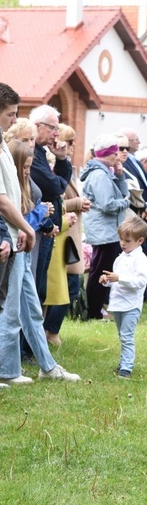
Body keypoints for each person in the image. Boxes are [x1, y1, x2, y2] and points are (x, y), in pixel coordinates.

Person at [0, 139, 80, 383]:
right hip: (15, 250)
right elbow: (19, 216)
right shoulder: (10, 186)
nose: (28, 171)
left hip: (25, 252)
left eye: (30, 166)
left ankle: (47, 366)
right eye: (25, 167)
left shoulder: (24, 184)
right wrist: (39, 215)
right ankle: (6, 370)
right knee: (11, 311)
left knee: (32, 310)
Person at [44, 124, 90, 345]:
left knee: (70, 285)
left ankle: (50, 330)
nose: (72, 147)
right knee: (66, 286)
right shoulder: (53, 168)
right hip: (60, 235)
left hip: (68, 235)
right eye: (70, 142)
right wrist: (77, 203)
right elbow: (56, 202)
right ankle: (49, 331)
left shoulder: (65, 167)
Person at [81, 134, 131, 321]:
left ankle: (97, 309)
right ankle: (93, 312)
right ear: (107, 154)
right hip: (103, 230)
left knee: (103, 269)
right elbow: (107, 204)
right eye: (115, 153)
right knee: (99, 272)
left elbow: (122, 192)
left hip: (108, 230)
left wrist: (120, 175)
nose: (118, 157)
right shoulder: (99, 175)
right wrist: (126, 203)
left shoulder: (106, 172)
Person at [29, 105, 72, 303]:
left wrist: (62, 159)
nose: (57, 133)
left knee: (40, 288)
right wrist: (60, 179)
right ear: (38, 126)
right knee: (34, 288)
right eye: (53, 128)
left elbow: (56, 186)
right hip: (38, 227)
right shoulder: (33, 154)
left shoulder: (41, 152)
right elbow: (53, 187)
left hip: (47, 225)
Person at [100, 216, 147, 378]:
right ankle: (123, 362)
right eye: (121, 239)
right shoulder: (120, 258)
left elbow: (140, 282)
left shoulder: (141, 259)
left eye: (127, 240)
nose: (123, 243)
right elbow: (116, 282)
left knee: (127, 336)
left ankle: (126, 368)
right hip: (119, 304)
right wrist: (107, 281)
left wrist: (119, 278)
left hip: (131, 305)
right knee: (122, 336)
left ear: (140, 240)